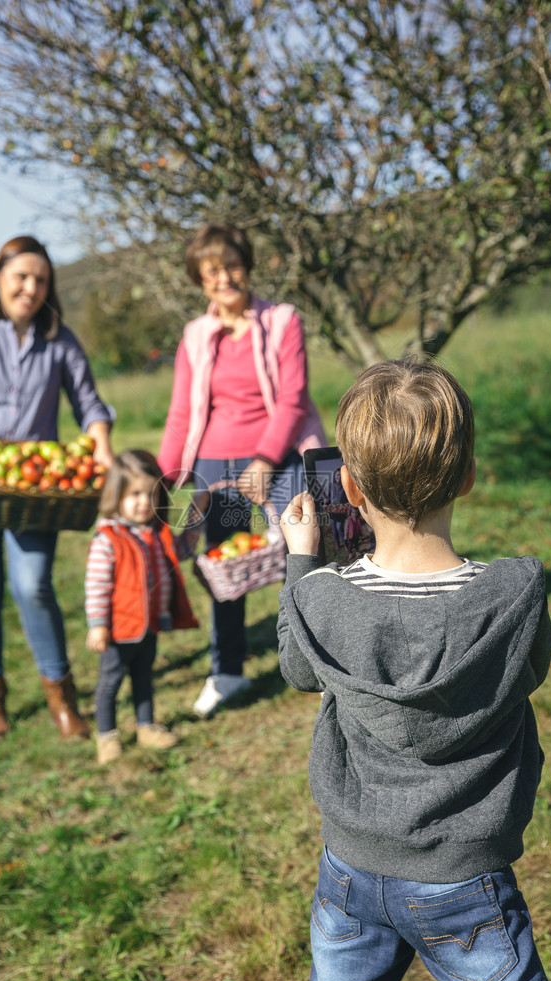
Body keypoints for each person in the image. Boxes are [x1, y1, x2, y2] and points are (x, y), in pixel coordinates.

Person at [277, 359, 551, 981]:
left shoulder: (325, 599)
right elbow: (530, 672)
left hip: (349, 868)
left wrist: (302, 561)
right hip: (468, 878)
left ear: (348, 486)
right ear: (470, 477)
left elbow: (296, 666)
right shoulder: (515, 594)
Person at [0, 235, 115, 744]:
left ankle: (61, 695)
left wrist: (100, 442)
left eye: (41, 280)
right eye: (20, 277)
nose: (30, 288)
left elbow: (90, 405)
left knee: (33, 586)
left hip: (36, 491)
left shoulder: (60, 341)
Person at [157, 222, 326, 718]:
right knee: (225, 567)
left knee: (303, 556)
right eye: (212, 271)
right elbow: (181, 414)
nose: (224, 277)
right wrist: (167, 479)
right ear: (199, 278)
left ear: (246, 267)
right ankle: (227, 671)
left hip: (277, 456)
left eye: (232, 266)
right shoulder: (195, 335)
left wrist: (265, 461)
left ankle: (321, 667)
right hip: (216, 465)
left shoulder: (281, 321)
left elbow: (293, 398)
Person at [85, 450, 205, 763]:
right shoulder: (108, 539)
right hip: (120, 629)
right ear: (117, 495)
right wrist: (98, 624)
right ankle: (107, 734)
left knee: (143, 676)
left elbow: (179, 552)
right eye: (134, 494)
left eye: (150, 495)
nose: (143, 503)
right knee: (110, 682)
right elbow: (97, 586)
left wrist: (194, 520)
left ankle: (145, 725)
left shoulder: (155, 532)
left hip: (149, 623)